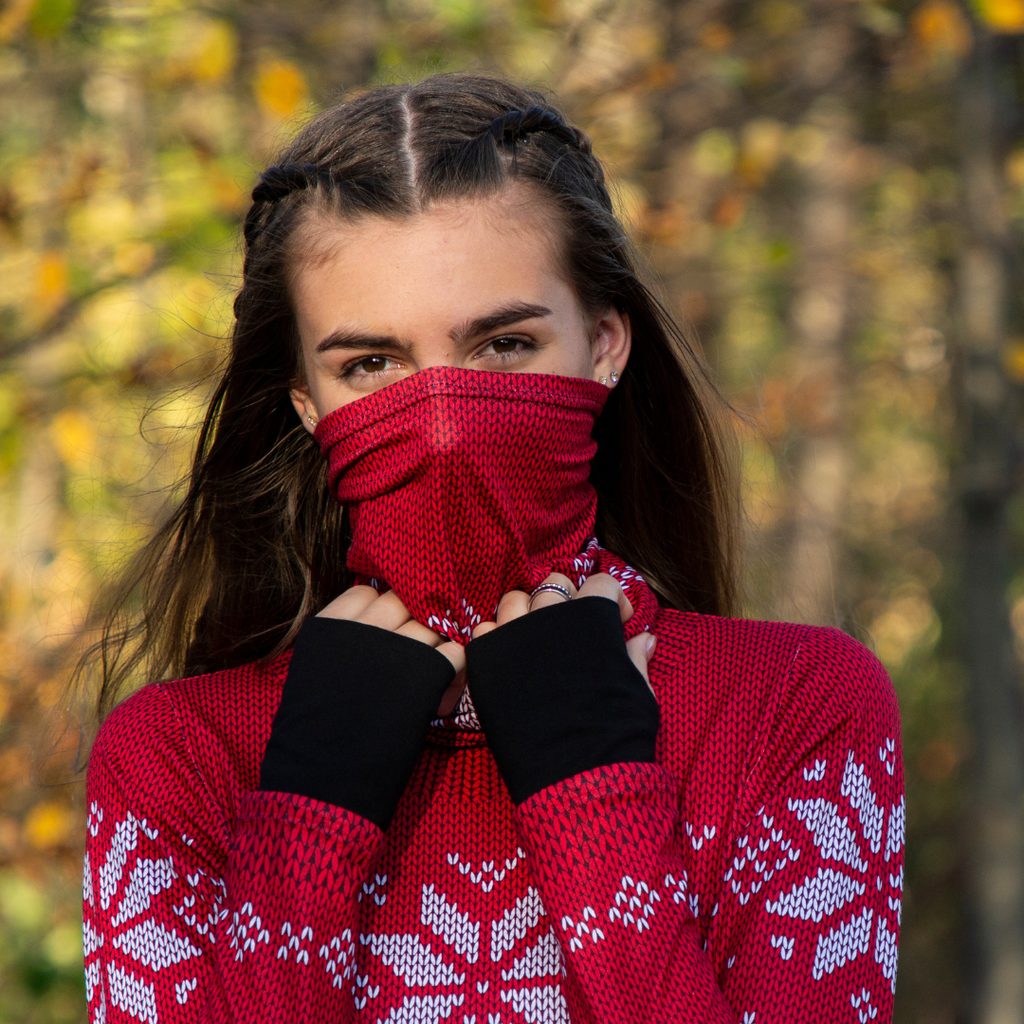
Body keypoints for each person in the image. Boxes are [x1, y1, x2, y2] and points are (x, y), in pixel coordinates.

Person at [79, 73, 904, 1023]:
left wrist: (595, 797)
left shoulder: (794, 707)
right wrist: (304, 826)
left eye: (504, 344)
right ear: (306, 402)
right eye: (371, 364)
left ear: (604, 343)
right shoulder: (179, 759)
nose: (442, 420)